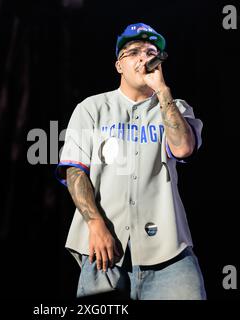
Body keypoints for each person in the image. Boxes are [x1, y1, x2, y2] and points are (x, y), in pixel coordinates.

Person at [56, 22, 206, 300]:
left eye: (151, 52)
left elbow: (184, 148)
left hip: (169, 253)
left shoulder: (175, 107)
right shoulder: (92, 108)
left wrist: (162, 92)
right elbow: (76, 173)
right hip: (104, 252)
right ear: (119, 66)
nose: (144, 57)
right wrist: (96, 226)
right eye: (134, 51)